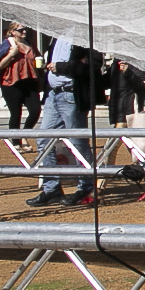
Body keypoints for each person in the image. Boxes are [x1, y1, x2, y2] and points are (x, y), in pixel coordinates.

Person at [30, 37, 97, 206]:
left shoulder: (84, 34)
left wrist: (61, 67)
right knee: (44, 139)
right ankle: (51, 188)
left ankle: (86, 187)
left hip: (71, 95)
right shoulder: (55, 36)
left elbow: (91, 67)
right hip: (53, 94)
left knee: (77, 143)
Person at [0, 26, 42, 132]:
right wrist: (11, 54)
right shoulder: (8, 44)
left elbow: (37, 58)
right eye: (20, 30)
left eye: (25, 29)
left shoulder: (30, 44)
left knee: (35, 110)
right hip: (11, 83)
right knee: (16, 114)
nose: (24, 31)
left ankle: (25, 134)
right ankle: (16, 143)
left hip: (29, 82)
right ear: (12, 32)